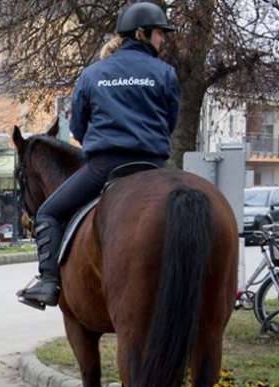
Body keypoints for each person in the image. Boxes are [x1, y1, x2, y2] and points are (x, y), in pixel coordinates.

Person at [18, 1, 180, 309]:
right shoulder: (165, 73)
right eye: (160, 33)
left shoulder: (93, 74)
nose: (163, 40)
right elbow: (170, 122)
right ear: (142, 33)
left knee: (48, 213)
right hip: (154, 167)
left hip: (104, 168)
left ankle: (49, 283)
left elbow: (78, 127)